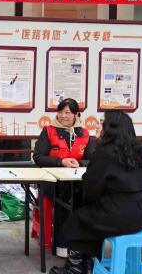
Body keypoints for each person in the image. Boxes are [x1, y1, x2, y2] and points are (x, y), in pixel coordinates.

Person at [49, 110, 142, 274]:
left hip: (117, 214)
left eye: (102, 122)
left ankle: (75, 268)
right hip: (139, 213)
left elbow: (91, 186)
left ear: (111, 128)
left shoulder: (105, 152)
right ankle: (87, 264)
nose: (97, 126)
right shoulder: (139, 151)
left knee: (77, 218)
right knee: (90, 217)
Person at [32, 98, 95, 257]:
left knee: (86, 199)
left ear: (76, 114)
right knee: (64, 200)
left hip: (78, 181)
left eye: (67, 112)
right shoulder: (48, 131)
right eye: (60, 112)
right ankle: (63, 245)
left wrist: (79, 163)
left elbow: (93, 160)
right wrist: (61, 162)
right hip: (53, 182)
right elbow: (38, 157)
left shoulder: (85, 134)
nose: (63, 116)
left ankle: (81, 244)